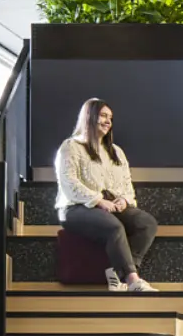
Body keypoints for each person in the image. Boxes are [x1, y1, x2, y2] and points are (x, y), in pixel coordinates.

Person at [55, 98, 158, 293]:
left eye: (110, 117)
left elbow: (127, 184)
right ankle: (132, 279)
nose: (108, 121)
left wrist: (124, 200)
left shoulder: (116, 152)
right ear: (89, 117)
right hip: (75, 207)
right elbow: (69, 183)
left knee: (147, 223)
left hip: (110, 206)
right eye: (103, 115)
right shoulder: (71, 146)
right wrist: (98, 201)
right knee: (114, 226)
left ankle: (120, 271)